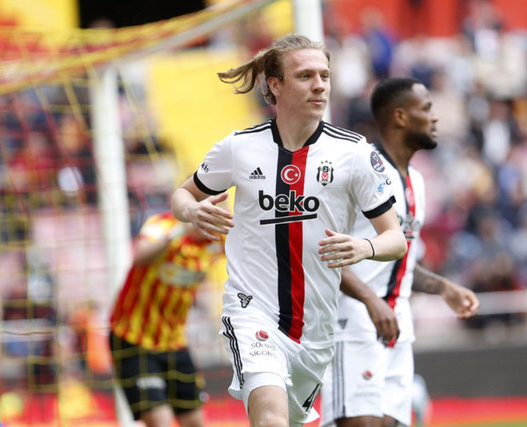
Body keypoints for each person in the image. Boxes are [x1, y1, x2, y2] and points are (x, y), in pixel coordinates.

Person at [170, 34, 407, 427]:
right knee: (271, 420)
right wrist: (193, 211)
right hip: (252, 311)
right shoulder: (239, 148)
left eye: (324, 76)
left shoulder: (354, 153)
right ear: (275, 85)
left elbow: (395, 238)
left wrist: (364, 247)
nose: (319, 85)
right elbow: (182, 194)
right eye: (305, 76)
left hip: (315, 328)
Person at [321, 77, 480, 427]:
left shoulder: (416, 181)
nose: (434, 118)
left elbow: (400, 262)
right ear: (400, 117)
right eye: (426, 109)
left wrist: (445, 289)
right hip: (356, 321)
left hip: (397, 326)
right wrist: (370, 300)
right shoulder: (360, 168)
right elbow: (324, 250)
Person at [109, 211, 225, 426]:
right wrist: (179, 231)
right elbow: (140, 255)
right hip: (134, 337)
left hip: (174, 341)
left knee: (194, 422)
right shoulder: (164, 225)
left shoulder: (218, 239)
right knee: (159, 421)